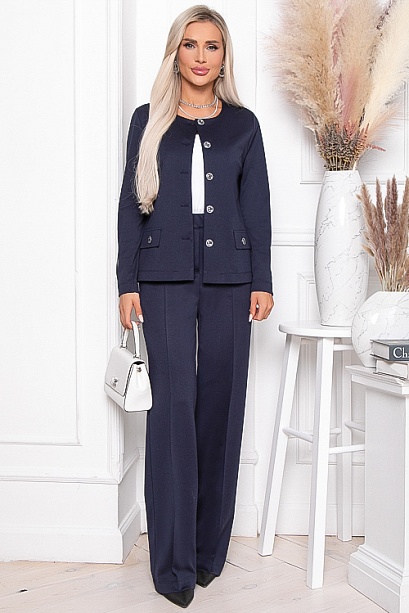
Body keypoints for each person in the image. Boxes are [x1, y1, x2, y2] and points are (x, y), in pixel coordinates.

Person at [117, 5, 274, 608]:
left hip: (233, 279)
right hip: (163, 278)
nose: (201, 56)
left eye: (212, 46)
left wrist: (262, 279)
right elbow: (130, 204)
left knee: (221, 410)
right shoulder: (148, 119)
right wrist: (126, 282)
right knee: (173, 413)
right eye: (190, 45)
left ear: (224, 56)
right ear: (175, 53)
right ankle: (173, 565)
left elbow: (256, 206)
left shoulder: (243, 126)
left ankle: (209, 554)